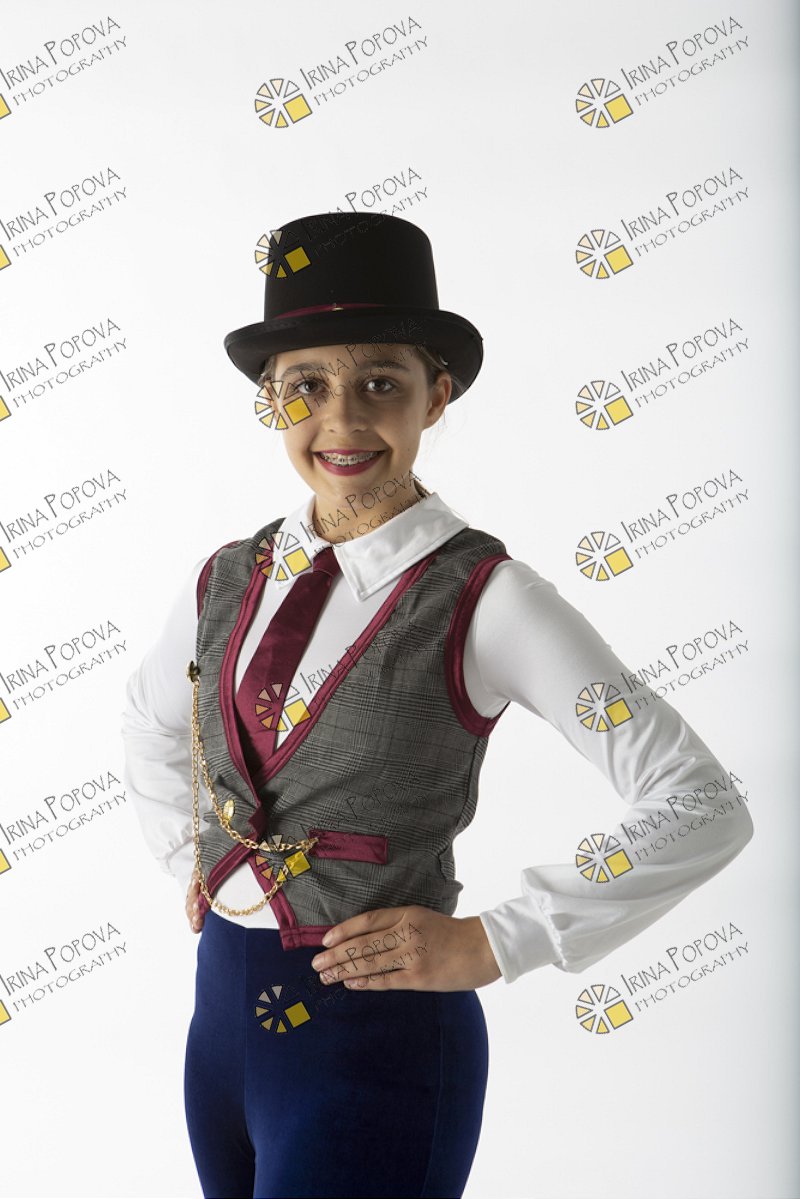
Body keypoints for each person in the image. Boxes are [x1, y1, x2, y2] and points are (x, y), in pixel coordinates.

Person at [121, 211, 754, 1199]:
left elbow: (701, 801)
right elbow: (148, 716)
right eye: (306, 385)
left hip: (376, 1046)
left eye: (381, 382)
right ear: (271, 398)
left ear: (437, 394)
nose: (341, 420)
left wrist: (499, 938)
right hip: (222, 1033)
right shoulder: (229, 576)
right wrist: (191, 856)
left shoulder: (488, 598)